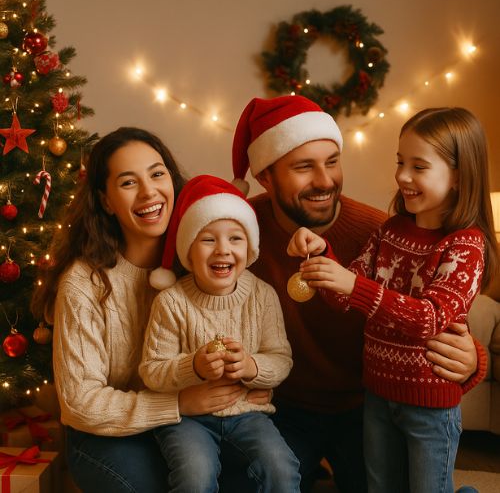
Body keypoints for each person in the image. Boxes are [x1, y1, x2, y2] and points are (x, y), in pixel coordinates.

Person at [228, 96, 487, 492]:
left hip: (363, 405)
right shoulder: (235, 235)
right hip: (284, 408)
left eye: (332, 161)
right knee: (246, 481)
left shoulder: (379, 228)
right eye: (303, 167)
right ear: (266, 175)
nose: (325, 180)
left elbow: (435, 314)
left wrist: (474, 361)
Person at [31, 128, 269, 493]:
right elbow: (80, 404)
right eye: (128, 182)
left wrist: (251, 383)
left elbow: (250, 334)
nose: (149, 193)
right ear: (106, 201)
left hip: (195, 423)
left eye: (157, 174)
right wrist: (178, 403)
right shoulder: (83, 284)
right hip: (107, 433)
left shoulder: (202, 258)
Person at [139, 174, 300, 493]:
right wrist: (194, 366)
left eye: (235, 239)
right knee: (195, 474)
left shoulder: (262, 296)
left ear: (250, 247)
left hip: (248, 415)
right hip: (188, 420)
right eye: (208, 239)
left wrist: (252, 367)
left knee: (281, 466)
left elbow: (281, 360)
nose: (222, 250)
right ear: (188, 249)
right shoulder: (171, 302)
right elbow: (152, 371)